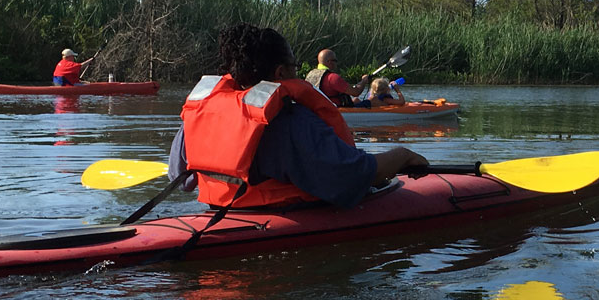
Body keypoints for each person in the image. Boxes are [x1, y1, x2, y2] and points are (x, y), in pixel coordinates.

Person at [168, 24, 427, 209]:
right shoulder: (291, 120)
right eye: (294, 66)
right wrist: (404, 156)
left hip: (219, 213)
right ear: (281, 73)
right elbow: (352, 176)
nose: (298, 72)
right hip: (278, 223)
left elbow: (180, 177)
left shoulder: (200, 113)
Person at [304, 48, 369, 106]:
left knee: (356, 100)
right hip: (335, 110)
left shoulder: (310, 74)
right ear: (329, 62)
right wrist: (364, 81)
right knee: (373, 100)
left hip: (317, 109)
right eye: (335, 60)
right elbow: (356, 92)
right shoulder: (332, 77)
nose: (336, 63)